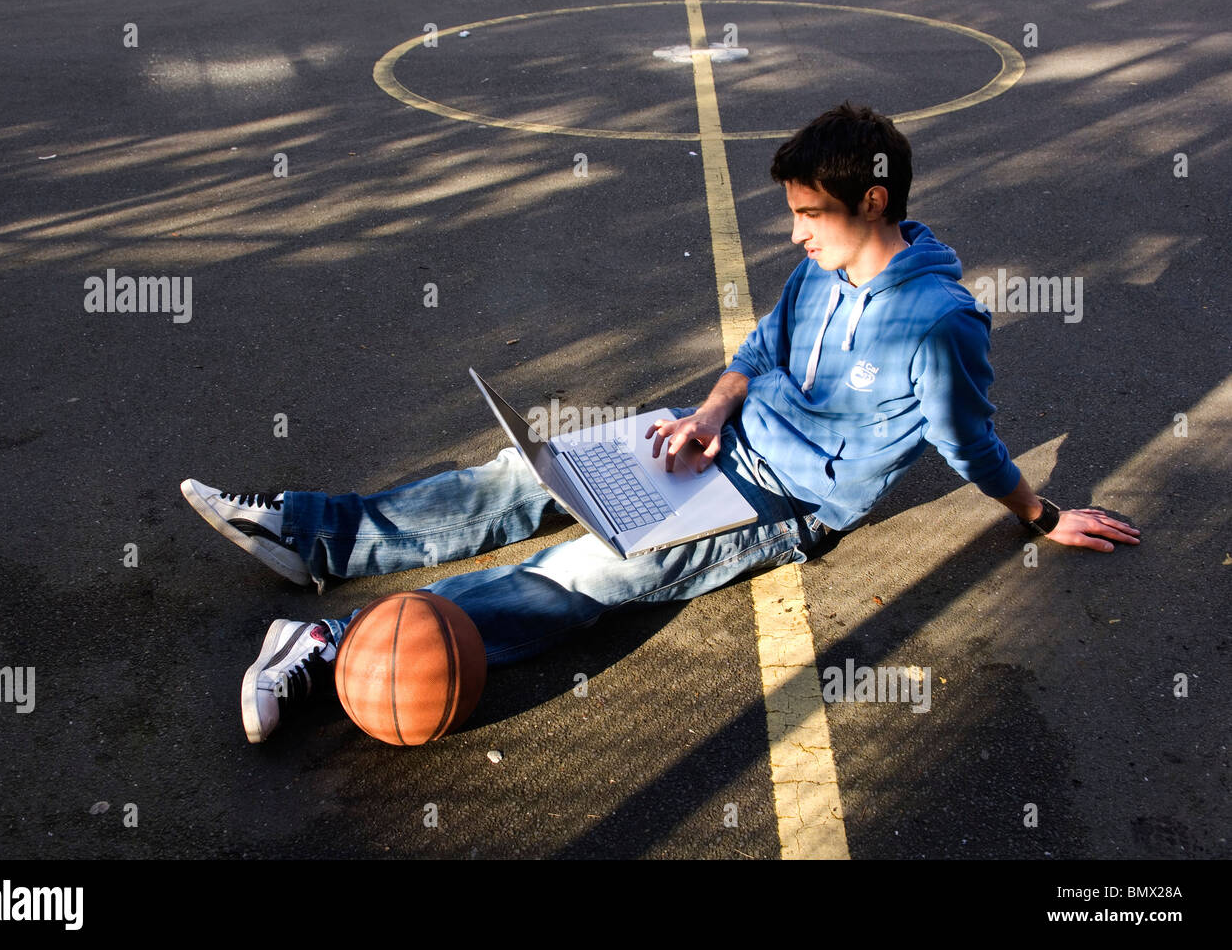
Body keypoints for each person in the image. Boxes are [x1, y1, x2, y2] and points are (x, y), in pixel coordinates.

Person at [182, 102, 1140, 744]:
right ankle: (313, 533)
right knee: (528, 473)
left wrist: (1041, 516)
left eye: (810, 213)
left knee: (597, 566)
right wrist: (713, 410)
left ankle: (329, 644)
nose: (795, 232)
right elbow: (761, 349)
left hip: (783, 501)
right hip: (719, 439)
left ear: (874, 201)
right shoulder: (824, 268)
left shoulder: (940, 323)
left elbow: (969, 442)